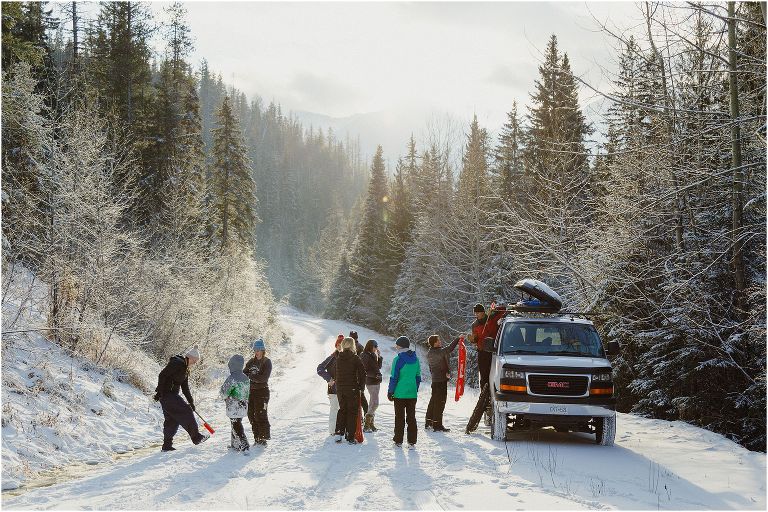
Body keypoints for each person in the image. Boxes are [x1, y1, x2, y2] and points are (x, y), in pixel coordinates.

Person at [153, 346, 209, 451]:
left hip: (171, 396)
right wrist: (160, 391)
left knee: (172, 420)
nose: (195, 363)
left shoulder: (185, 369)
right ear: (190, 358)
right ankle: (196, 437)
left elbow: (185, 388)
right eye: (195, 361)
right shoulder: (177, 363)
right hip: (167, 395)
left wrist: (191, 402)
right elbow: (162, 375)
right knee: (186, 411)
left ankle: (167, 446)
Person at [387, 336, 421, 449]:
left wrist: (390, 391)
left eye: (397, 345)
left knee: (399, 417)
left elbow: (394, 377)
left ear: (400, 346)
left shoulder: (398, 359)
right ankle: (412, 442)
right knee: (411, 417)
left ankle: (398, 440)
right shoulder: (416, 359)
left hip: (399, 393)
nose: (396, 347)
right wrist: (414, 389)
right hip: (412, 394)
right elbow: (418, 377)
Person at [334, 337, 366, 444]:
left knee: (342, 409)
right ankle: (350, 436)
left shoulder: (339, 357)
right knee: (352, 411)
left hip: (340, 389)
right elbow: (363, 373)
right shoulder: (355, 358)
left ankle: (338, 433)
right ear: (352, 345)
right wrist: (361, 387)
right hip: (352, 388)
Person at [425, 334, 460, 432]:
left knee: (433, 401)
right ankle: (437, 425)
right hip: (440, 381)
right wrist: (458, 338)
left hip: (436, 380)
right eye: (438, 340)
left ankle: (429, 422)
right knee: (440, 403)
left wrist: (446, 372)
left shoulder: (430, 353)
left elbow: (433, 368)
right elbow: (449, 348)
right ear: (434, 343)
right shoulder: (437, 352)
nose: (440, 341)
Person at [219, 354, 250, 452]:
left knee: (236, 425)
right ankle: (235, 445)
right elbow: (247, 392)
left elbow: (224, 392)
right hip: (243, 405)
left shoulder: (232, 378)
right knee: (236, 423)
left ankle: (244, 444)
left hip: (234, 405)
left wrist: (224, 395)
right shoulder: (245, 377)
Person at [244, 339, 272, 446]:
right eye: (255, 349)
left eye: (258, 349)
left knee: (260, 415)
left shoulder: (266, 362)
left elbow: (263, 378)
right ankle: (257, 438)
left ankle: (263, 439)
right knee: (251, 415)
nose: (256, 352)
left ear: (263, 350)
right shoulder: (251, 362)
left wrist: (250, 376)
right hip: (251, 392)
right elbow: (243, 373)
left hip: (262, 392)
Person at [317, 334, 343, 435]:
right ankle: (332, 431)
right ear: (336, 346)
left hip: (344, 389)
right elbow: (320, 368)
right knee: (334, 410)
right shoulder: (332, 357)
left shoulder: (348, 358)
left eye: (343, 345)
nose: (341, 347)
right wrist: (329, 378)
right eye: (339, 345)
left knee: (342, 411)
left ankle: (341, 430)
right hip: (333, 390)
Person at [360, 339, 383, 433]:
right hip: (371, 381)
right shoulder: (365, 355)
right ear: (370, 346)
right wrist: (375, 375)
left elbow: (378, 367)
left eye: (376, 346)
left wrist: (379, 356)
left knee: (372, 403)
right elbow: (364, 370)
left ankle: (371, 424)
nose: (376, 348)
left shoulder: (372, 354)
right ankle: (367, 424)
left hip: (376, 381)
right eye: (375, 346)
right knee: (375, 403)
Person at [349, 330, 369, 415]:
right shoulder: (361, 347)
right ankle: (366, 416)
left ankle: (361, 417)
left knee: (357, 398)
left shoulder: (351, 347)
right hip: (359, 376)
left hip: (353, 376)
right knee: (361, 397)